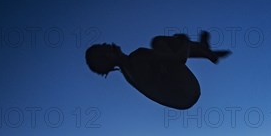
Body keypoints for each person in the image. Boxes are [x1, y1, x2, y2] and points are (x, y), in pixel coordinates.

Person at [85, 31, 231, 109]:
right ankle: (203, 49)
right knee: (158, 42)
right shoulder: (137, 58)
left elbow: (171, 64)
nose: (105, 44)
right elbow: (179, 59)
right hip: (187, 90)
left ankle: (204, 51)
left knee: (163, 52)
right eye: (101, 49)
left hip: (184, 101)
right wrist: (184, 41)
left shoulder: (128, 73)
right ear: (106, 58)